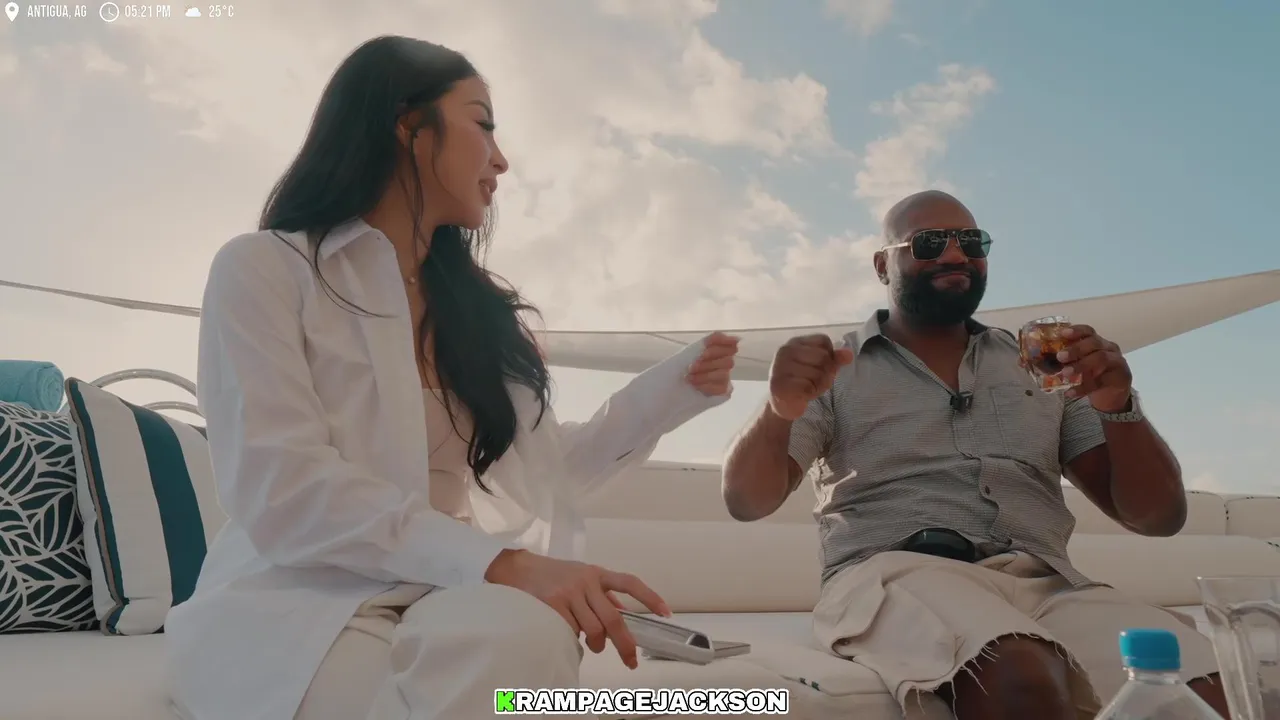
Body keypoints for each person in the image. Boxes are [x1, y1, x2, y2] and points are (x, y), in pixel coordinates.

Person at [165, 35, 740, 720]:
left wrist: (675, 389)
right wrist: (501, 564)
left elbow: (544, 470)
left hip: (441, 591)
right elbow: (283, 487)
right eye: (482, 124)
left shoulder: (478, 316)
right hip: (295, 599)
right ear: (409, 126)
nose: (501, 159)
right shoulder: (265, 268)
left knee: (526, 637)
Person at [721, 190, 1229, 720]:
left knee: (1209, 690)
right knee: (1019, 675)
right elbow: (746, 501)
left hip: (1049, 585)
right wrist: (778, 412)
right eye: (929, 242)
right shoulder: (834, 367)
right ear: (882, 265)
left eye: (971, 241)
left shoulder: (1045, 365)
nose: (955, 254)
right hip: (895, 574)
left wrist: (1118, 405)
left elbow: (1157, 518)